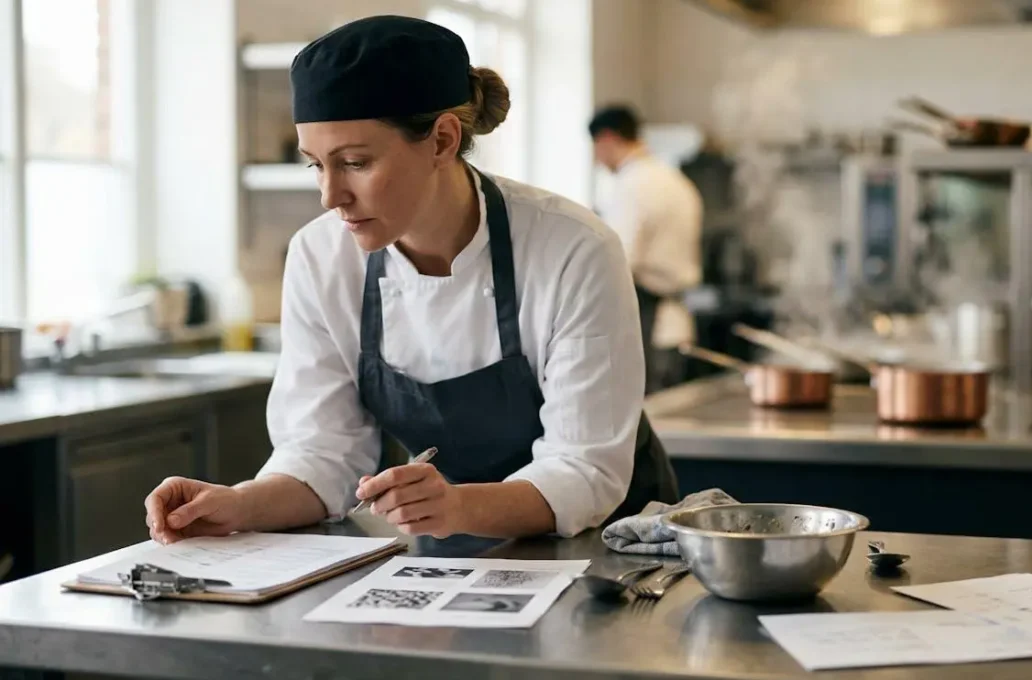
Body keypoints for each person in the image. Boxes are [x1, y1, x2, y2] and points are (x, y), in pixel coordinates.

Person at [143, 15, 678, 544]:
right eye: (315, 165)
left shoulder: (572, 249)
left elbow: (584, 469)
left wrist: (456, 504)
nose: (331, 196)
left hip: (610, 548)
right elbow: (323, 453)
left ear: (443, 139)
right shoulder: (320, 256)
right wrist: (239, 504)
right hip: (456, 539)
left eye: (354, 162)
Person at [589, 105, 703, 393]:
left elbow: (618, 260)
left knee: (648, 420)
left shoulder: (632, 184)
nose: (596, 159)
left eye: (595, 149)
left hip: (648, 325)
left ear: (606, 139)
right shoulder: (676, 181)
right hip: (676, 324)